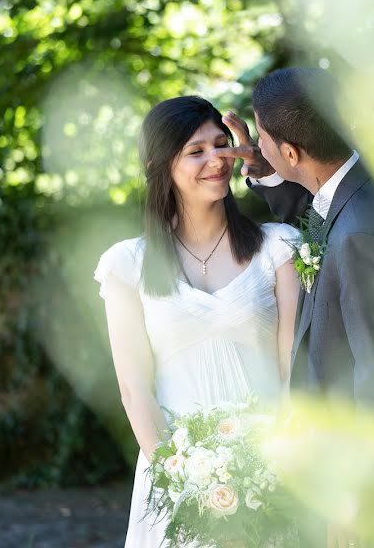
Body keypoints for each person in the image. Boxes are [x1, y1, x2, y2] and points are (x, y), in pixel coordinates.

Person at [217, 67, 374, 547]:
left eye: (263, 139)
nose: (257, 145)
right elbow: (321, 214)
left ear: (292, 151)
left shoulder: (361, 237)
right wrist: (268, 170)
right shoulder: (361, 190)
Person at [94, 96, 301, 546]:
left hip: (273, 478)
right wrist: (185, 484)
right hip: (176, 483)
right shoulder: (127, 266)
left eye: (220, 145)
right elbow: (134, 390)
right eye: (196, 151)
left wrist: (276, 465)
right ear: (159, 165)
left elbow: (293, 370)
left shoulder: (277, 249)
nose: (216, 161)